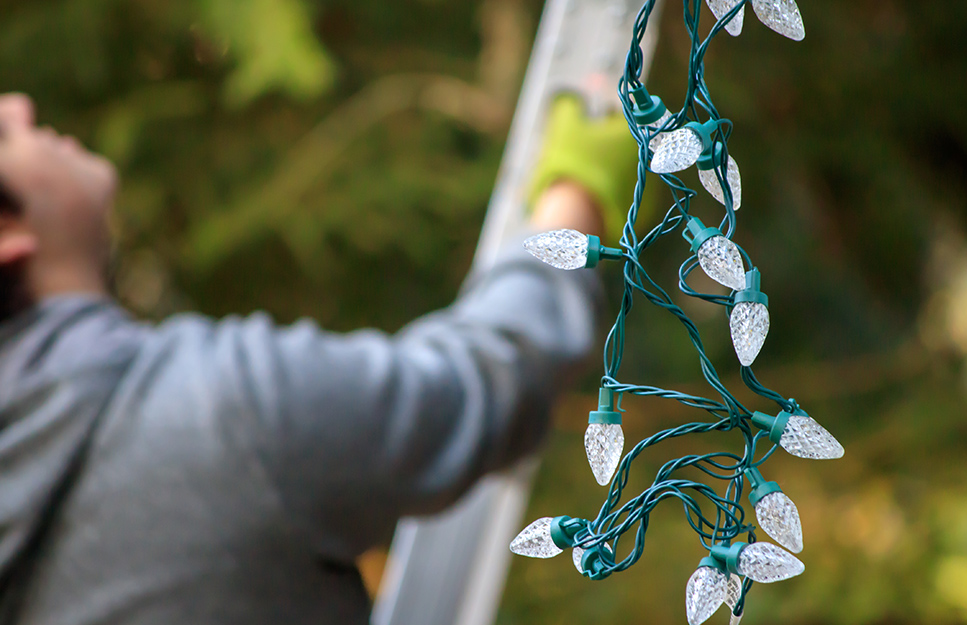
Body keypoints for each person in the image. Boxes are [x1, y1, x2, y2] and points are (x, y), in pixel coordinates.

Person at [0, 92, 636, 624]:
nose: (19, 106)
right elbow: (483, 382)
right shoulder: (215, 410)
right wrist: (574, 198)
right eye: (3, 134)